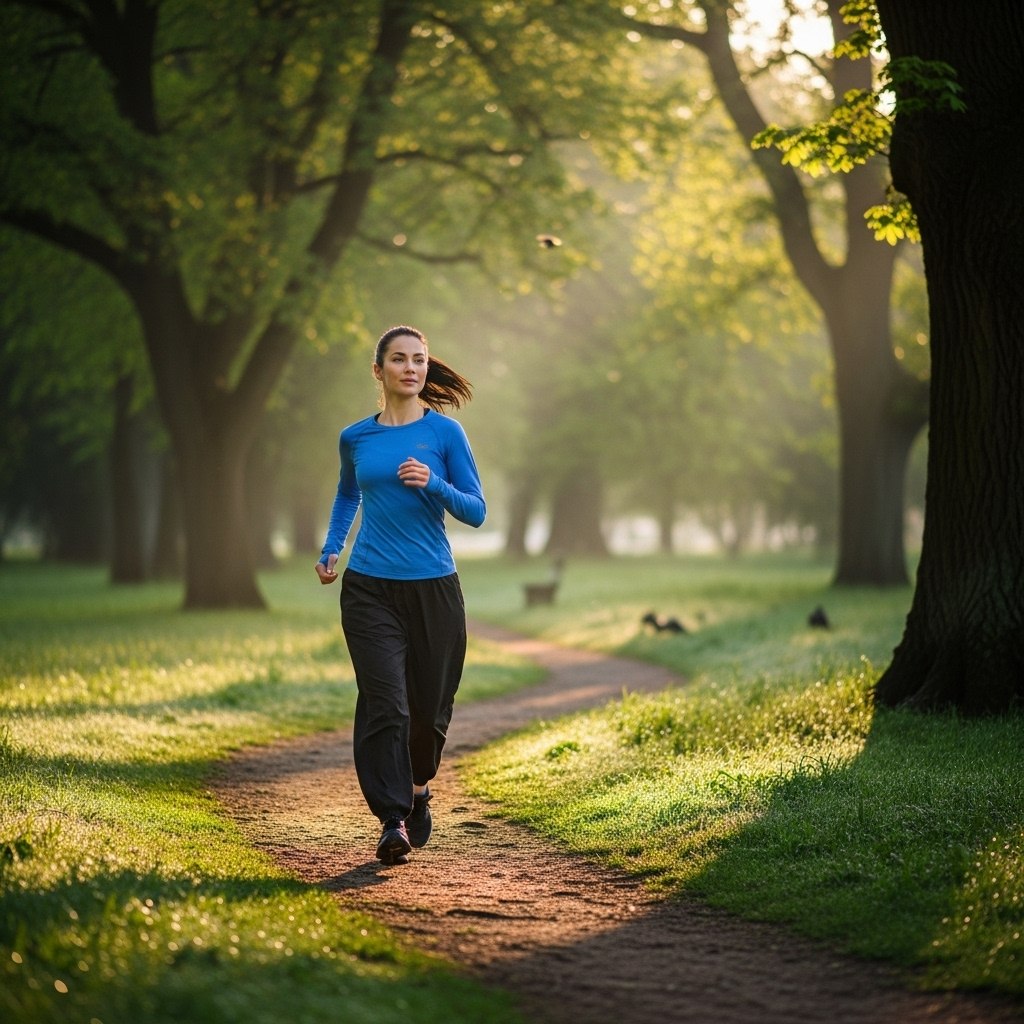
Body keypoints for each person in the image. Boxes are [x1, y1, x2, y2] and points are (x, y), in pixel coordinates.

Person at [315, 325, 486, 866]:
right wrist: (331, 547)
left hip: (434, 587)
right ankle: (392, 819)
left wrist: (433, 483)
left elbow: (476, 511)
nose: (411, 368)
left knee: (428, 709)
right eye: (399, 359)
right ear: (379, 370)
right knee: (385, 702)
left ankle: (416, 788)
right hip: (369, 587)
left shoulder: (446, 435)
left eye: (419, 360)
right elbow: (348, 493)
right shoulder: (356, 438)